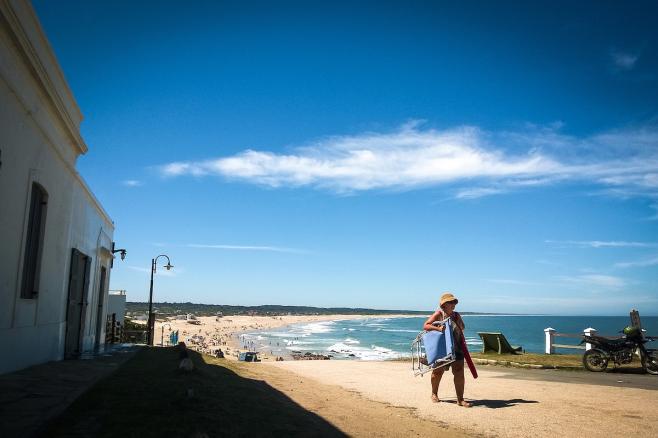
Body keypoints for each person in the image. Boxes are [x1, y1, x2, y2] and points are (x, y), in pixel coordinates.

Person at [423, 292, 472, 407]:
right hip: (442, 348)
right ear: (444, 304)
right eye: (451, 302)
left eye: (454, 302)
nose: (453, 304)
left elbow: (463, 327)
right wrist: (438, 328)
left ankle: (460, 399)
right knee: (438, 372)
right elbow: (426, 325)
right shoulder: (439, 314)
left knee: (459, 372)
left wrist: (457, 325)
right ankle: (434, 393)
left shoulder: (456, 315)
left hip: (457, 347)